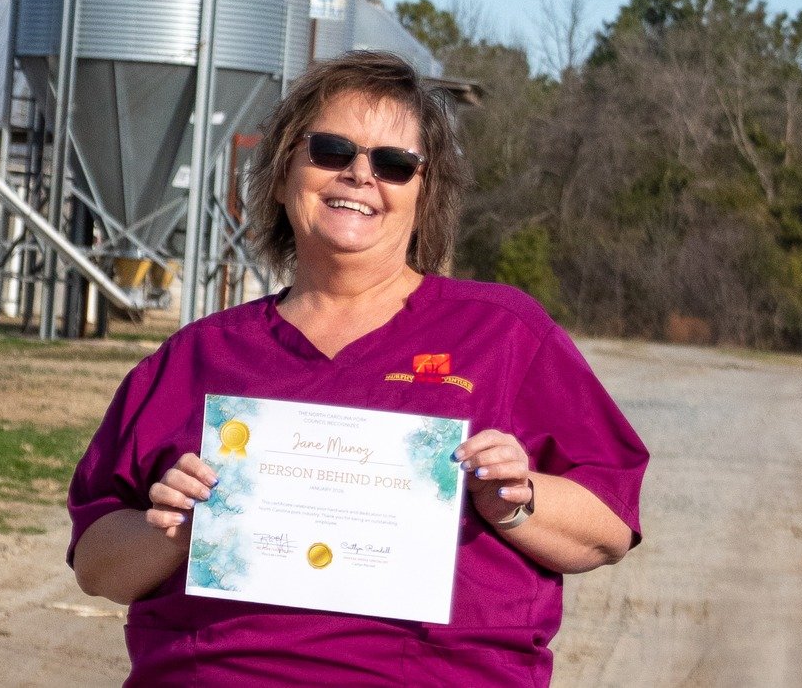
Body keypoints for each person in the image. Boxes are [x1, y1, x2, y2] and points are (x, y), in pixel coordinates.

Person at [69, 51, 646, 685]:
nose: (359, 176)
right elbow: (98, 567)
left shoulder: (503, 332)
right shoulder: (198, 355)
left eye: (395, 164)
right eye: (331, 151)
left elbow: (609, 528)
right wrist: (173, 529)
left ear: (425, 195)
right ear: (286, 168)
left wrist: (513, 499)